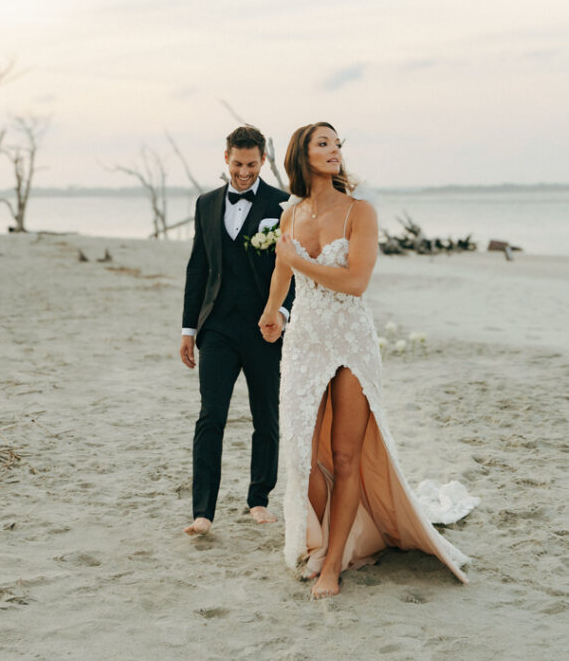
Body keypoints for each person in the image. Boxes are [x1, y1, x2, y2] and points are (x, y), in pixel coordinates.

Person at [259, 122, 476, 597]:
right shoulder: (291, 213)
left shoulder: (361, 212)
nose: (335, 150)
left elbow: (355, 282)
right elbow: (281, 265)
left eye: (338, 144)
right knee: (303, 454)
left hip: (350, 340)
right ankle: (317, 543)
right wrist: (272, 311)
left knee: (345, 454)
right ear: (302, 154)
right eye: (324, 143)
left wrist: (300, 264)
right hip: (305, 339)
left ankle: (334, 563)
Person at [180, 125, 295, 536]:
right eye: (237, 163)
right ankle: (203, 512)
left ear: (262, 160)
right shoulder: (206, 203)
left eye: (251, 164)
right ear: (225, 157)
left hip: (264, 327)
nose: (243, 172)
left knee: (266, 415)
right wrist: (188, 328)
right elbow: (198, 267)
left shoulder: (283, 204)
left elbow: (293, 268)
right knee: (211, 416)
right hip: (218, 329)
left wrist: (281, 313)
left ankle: (258, 499)